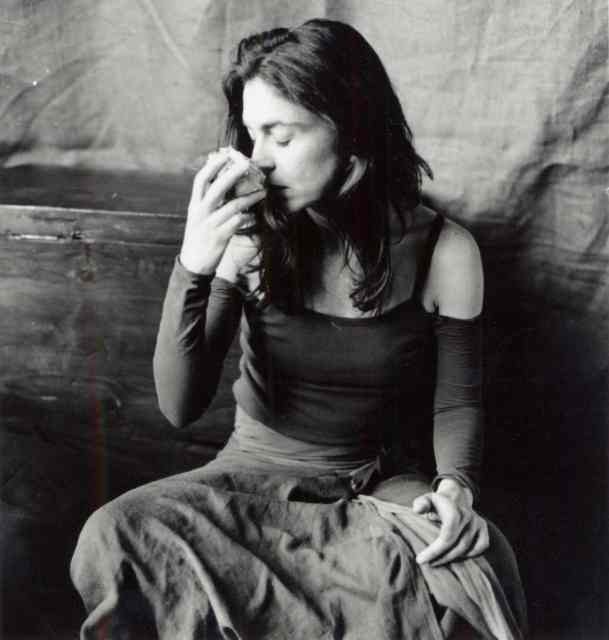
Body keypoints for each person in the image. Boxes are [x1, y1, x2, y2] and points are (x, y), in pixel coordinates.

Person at [70, 19, 527, 639]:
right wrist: (193, 266)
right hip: (250, 479)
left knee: (473, 563)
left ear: (352, 131)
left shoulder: (446, 251)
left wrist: (455, 491)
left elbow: (458, 400)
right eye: (252, 134)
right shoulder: (252, 238)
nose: (258, 158)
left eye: (280, 136)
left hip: (375, 484)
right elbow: (180, 406)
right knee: (114, 532)